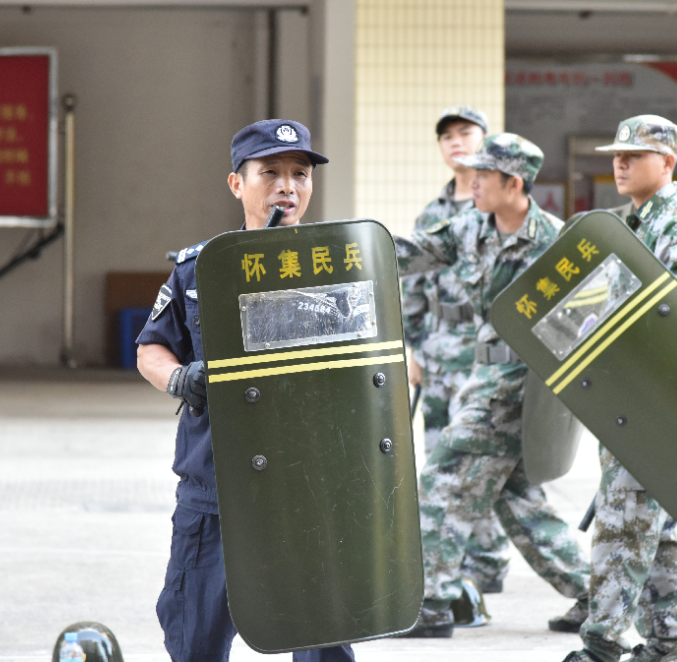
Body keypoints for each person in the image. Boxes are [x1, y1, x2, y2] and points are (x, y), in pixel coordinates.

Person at [136, 119, 354, 662]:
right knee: (195, 632)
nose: (288, 186)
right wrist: (180, 378)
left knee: (324, 632)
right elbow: (150, 350)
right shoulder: (198, 270)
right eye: (271, 173)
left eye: (300, 174)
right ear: (238, 184)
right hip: (216, 483)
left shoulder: (339, 267)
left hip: (312, 483)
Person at [394, 133, 591, 638]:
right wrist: (341, 250)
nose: (472, 181)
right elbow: (412, 252)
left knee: (440, 479)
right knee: (519, 502)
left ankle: (430, 601)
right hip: (486, 378)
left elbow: (583, 322)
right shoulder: (470, 227)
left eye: (483, 175)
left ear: (514, 183)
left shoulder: (556, 242)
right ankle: (596, 595)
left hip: (523, 387)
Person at [561, 115, 677, 662]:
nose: (620, 164)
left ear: (668, 163)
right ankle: (670, 640)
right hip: (627, 398)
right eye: (616, 154)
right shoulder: (628, 223)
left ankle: (602, 642)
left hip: (659, 401)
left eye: (634, 155)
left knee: (623, 519)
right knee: (654, 522)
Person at [400, 105, 512, 594]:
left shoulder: (500, 210)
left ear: (486, 141)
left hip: (488, 352)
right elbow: (413, 289)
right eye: (446, 136)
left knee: (484, 459)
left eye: (465, 133)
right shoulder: (433, 214)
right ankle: (451, 559)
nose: (455, 142)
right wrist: (412, 347)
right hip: (440, 350)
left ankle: (487, 561)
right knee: (439, 457)